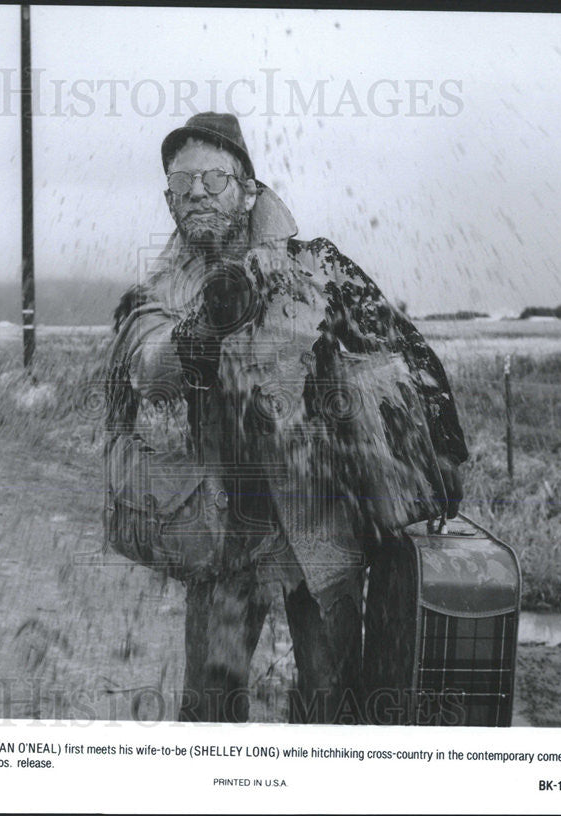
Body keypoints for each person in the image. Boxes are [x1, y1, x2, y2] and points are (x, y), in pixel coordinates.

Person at [103, 112, 467, 724]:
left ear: (248, 191)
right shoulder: (161, 291)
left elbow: (400, 351)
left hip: (322, 526)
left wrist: (441, 453)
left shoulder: (314, 267)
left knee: (330, 701)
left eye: (213, 179)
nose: (195, 194)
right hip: (226, 531)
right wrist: (202, 331)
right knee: (212, 707)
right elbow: (147, 364)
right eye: (180, 183)